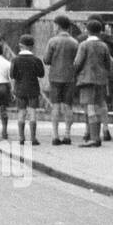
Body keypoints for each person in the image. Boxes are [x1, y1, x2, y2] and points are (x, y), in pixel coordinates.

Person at [73, 19, 113, 148]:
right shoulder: (103, 45)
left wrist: (76, 72)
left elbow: (77, 63)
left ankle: (94, 138)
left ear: (87, 30)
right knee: (98, 106)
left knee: (90, 108)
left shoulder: (84, 45)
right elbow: (108, 64)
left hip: (86, 80)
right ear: (100, 31)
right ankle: (95, 135)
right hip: (101, 80)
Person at [43, 15, 80, 145]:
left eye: (54, 25)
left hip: (55, 77)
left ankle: (55, 135)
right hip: (70, 77)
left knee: (56, 106)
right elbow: (78, 61)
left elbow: (46, 60)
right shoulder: (75, 42)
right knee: (68, 105)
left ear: (58, 26)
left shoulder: (53, 41)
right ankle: (67, 134)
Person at [11, 35, 45, 146]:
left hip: (20, 89)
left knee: (21, 112)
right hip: (33, 88)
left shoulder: (15, 60)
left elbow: (12, 76)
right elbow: (41, 74)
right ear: (32, 47)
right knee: (32, 112)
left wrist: (13, 89)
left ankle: (21, 137)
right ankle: (33, 138)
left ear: (20, 46)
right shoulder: (36, 60)